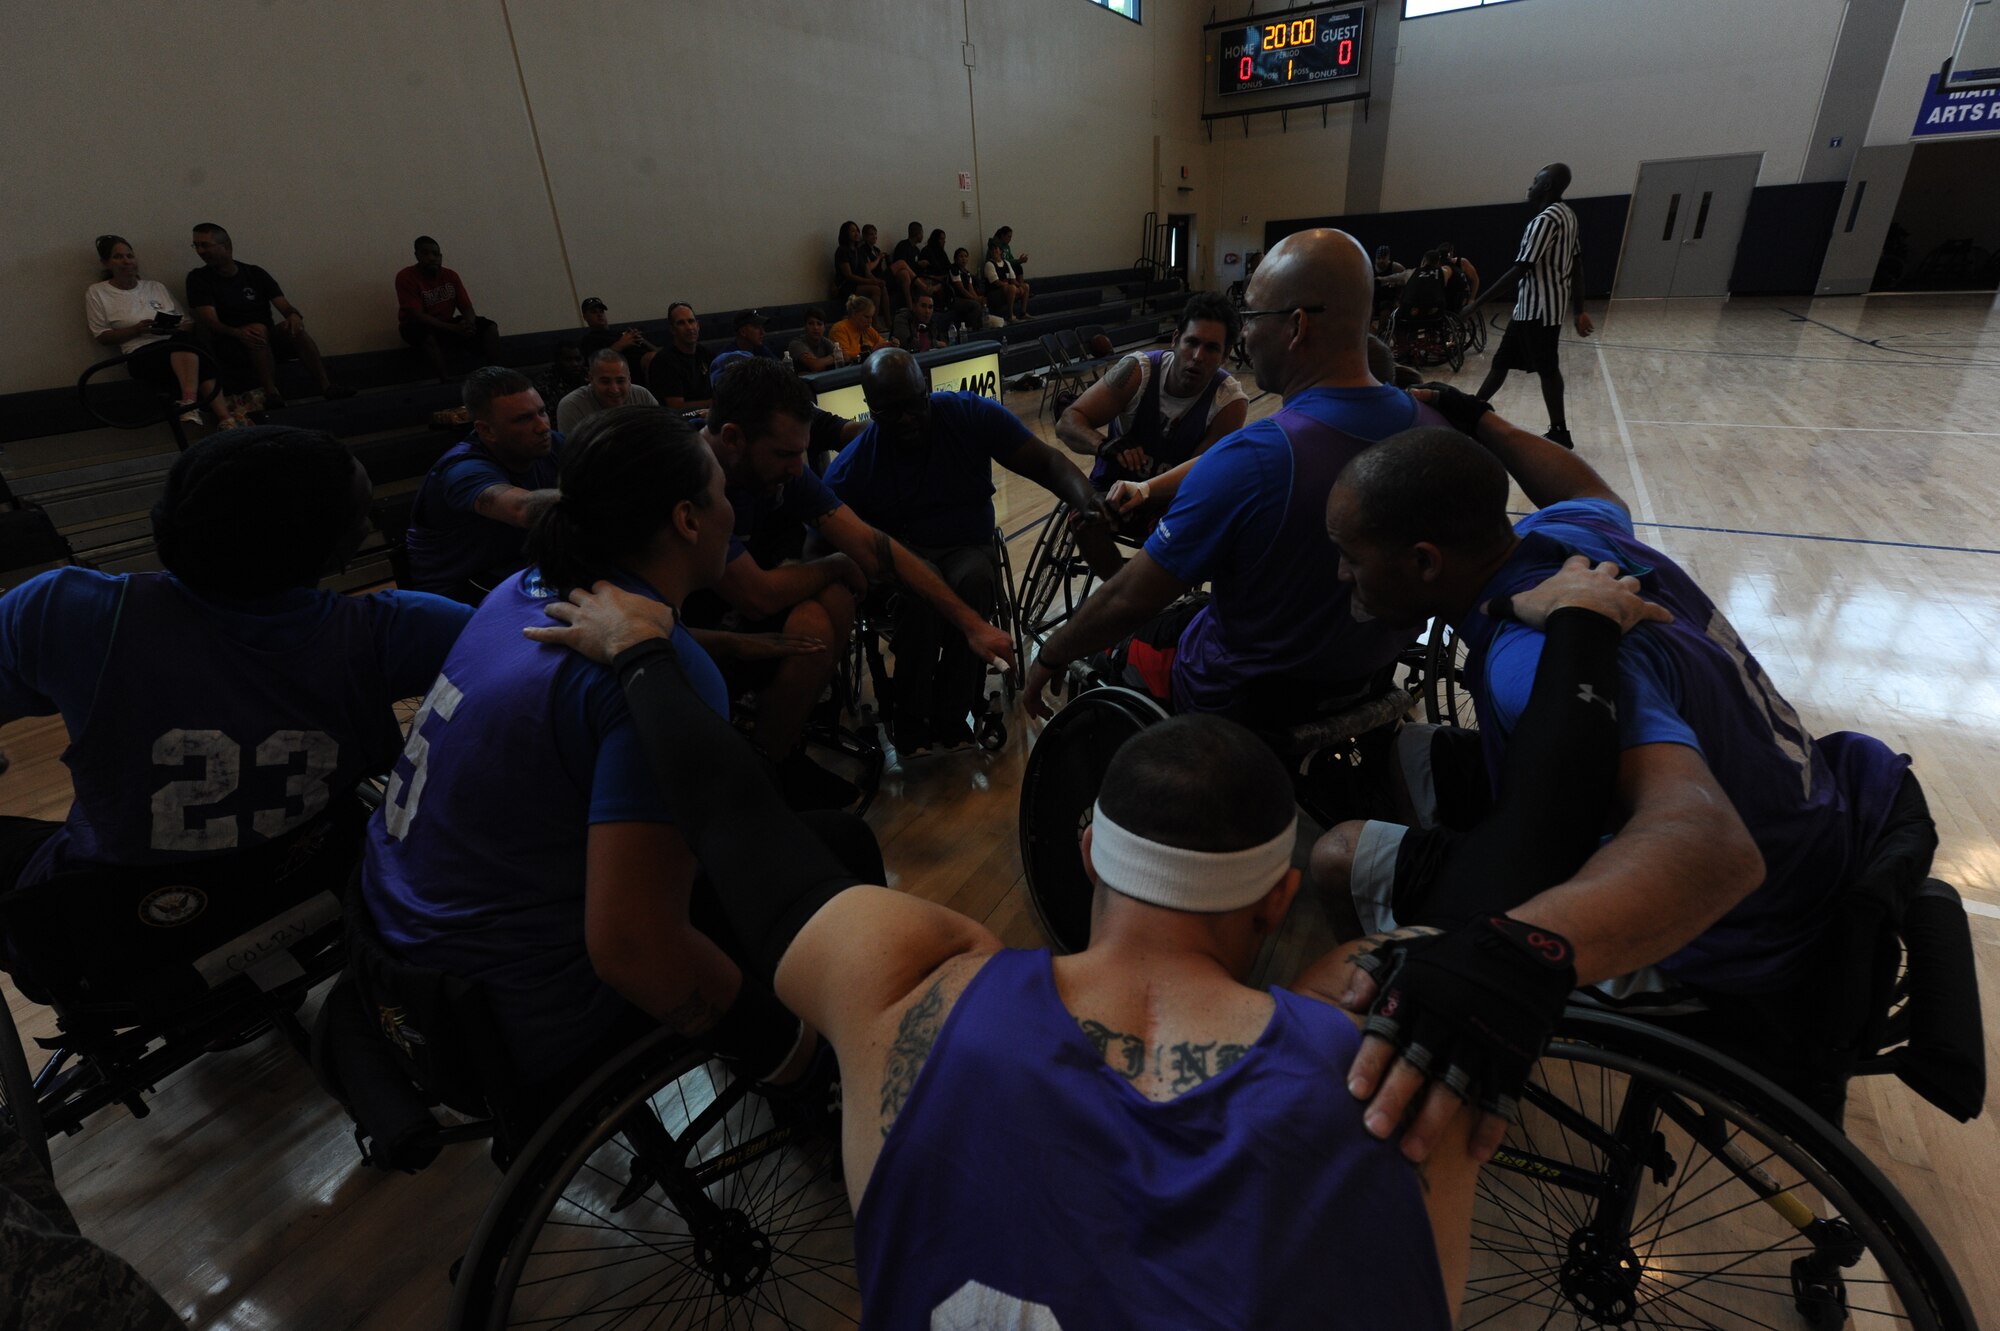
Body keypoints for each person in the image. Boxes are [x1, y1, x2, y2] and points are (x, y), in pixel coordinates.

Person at [518, 555, 1659, 1325]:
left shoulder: (906, 995)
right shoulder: (1395, 1066)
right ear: (1276, 899)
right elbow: (1536, 833)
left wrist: (643, 653)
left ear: (1081, 850)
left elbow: (740, 828)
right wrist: (1576, 624)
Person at [1314, 404, 1922, 1119]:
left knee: (1340, 855)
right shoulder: (1574, 537)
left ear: (1424, 562)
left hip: (1735, 935)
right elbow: (1595, 492)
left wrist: (1504, 963)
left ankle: (1399, 1069)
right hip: (1810, 829)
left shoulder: (1527, 659)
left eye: (1350, 555)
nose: (1339, 573)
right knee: (1406, 755)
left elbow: (1713, 850)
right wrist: (1484, 422)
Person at [362, 405, 879, 1090]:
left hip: (392, 959)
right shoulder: (654, 673)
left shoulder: (521, 589)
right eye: (721, 493)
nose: (732, 509)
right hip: (508, 1008)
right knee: (834, 857)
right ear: (688, 520)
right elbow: (632, 950)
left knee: (824, 838)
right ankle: (829, 1082)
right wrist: (792, 1053)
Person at [0, 426, 469, 911]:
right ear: (337, 548)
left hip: (129, 903)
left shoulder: (67, 611)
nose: (369, 521)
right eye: (362, 513)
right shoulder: (405, 628)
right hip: (312, 868)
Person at [1023, 228, 1450, 726]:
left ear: (1296, 326)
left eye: (1250, 316)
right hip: (1367, 679)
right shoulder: (1438, 434)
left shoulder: (1253, 453)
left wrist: (1052, 651)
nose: (1244, 335)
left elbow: (1128, 601)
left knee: (1109, 648)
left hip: (1241, 699)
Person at [701, 356, 1013, 775]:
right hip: (671, 640)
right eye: (785, 454)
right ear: (733, 438)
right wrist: (834, 565)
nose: (798, 468)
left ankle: (777, 760)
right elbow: (757, 596)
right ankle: (755, 771)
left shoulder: (782, 470)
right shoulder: (692, 479)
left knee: (833, 603)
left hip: (729, 615)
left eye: (801, 453)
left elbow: (871, 545)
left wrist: (972, 623)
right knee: (818, 611)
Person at [825, 350, 1115, 752]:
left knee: (975, 579)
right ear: (870, 410)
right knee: (918, 596)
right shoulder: (853, 466)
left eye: (913, 404)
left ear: (926, 390)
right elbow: (823, 540)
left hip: (966, 545)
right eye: (891, 412)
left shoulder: (969, 414)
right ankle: (910, 715)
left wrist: (1088, 499)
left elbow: (1047, 463)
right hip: (902, 558)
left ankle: (953, 712)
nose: (906, 418)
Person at [1059, 291, 1248, 511]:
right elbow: (1067, 422)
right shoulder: (1137, 371)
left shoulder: (1229, 402)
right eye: (1192, 342)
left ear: (1225, 356)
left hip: (1171, 505)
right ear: (1175, 340)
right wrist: (1102, 444)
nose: (1198, 356)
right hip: (1108, 494)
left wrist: (1145, 493)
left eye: (1211, 348)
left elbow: (1199, 477)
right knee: (1086, 519)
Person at [404, 366, 561, 605]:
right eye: (523, 419)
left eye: (542, 412)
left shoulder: (550, 443)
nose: (543, 426)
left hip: (518, 573)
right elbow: (522, 508)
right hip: (461, 593)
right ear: (486, 430)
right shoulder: (462, 469)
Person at [1470, 163, 1594, 449]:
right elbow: (1577, 265)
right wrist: (1578, 310)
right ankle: (1471, 412)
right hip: (1532, 309)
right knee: (1501, 363)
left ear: (1547, 186)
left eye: (1535, 181)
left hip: (1539, 310)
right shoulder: (1569, 215)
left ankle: (1560, 432)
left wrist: (1477, 304)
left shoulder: (1545, 220)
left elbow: (1520, 268)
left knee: (1548, 369)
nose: (1530, 186)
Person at [185, 223, 349, 409]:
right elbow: (210, 321)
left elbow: (285, 306)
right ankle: (272, 394)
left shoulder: (254, 273)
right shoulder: (198, 278)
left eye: (205, 245)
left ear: (225, 246)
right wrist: (238, 333)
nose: (200, 251)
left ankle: (327, 386)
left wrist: (293, 317)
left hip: (266, 337)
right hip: (229, 342)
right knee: (258, 330)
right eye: (196, 245)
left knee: (294, 330)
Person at [85, 234, 223, 426]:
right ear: (106, 263)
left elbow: (187, 323)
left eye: (129, 256)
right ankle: (208, 410)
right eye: (118, 257)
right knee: (192, 349)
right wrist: (137, 330)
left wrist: (169, 328)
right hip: (139, 353)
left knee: (192, 346)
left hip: (172, 342)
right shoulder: (98, 292)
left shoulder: (155, 287)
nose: (126, 261)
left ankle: (206, 410)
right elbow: (102, 336)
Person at [395, 236, 501, 382]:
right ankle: (446, 381)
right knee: (421, 332)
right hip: (417, 325)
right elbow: (416, 315)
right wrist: (452, 328)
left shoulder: (450, 275)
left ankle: (496, 376)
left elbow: (466, 307)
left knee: (490, 328)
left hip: (447, 324)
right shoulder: (406, 276)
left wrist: (469, 325)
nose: (431, 258)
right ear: (417, 256)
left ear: (441, 256)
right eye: (425, 253)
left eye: (435, 254)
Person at [555, 347, 659, 433]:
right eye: (605, 382)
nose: (614, 389)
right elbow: (573, 450)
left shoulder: (642, 396)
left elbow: (661, 436)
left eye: (620, 381)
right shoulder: (572, 406)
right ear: (591, 379)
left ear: (629, 379)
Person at [646, 302, 712, 411]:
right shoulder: (664, 361)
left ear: (698, 325)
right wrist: (711, 403)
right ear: (672, 329)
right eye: (681, 323)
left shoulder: (706, 354)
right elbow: (676, 406)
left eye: (691, 321)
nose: (689, 327)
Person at [576, 296, 657, 382]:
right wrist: (621, 344)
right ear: (585, 317)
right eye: (594, 312)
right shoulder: (588, 339)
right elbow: (596, 362)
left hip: (649, 358)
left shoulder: (620, 332)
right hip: (628, 368)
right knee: (651, 358)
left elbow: (657, 350)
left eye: (601, 311)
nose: (599, 315)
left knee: (661, 356)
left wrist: (642, 340)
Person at [832, 220, 886, 311]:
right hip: (847, 285)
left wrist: (876, 280)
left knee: (882, 287)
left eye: (857, 230)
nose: (856, 233)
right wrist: (870, 282)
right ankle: (872, 318)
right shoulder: (842, 251)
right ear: (846, 233)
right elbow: (849, 275)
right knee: (875, 290)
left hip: (859, 283)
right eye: (853, 231)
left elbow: (867, 271)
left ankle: (887, 318)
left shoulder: (859, 251)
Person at [888, 221, 937, 311]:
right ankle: (910, 307)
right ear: (916, 233)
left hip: (913, 276)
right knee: (905, 273)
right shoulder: (903, 245)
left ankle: (926, 307)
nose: (922, 236)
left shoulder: (916, 250)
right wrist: (918, 264)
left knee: (925, 278)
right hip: (899, 276)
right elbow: (900, 264)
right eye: (921, 233)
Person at [785, 308, 845, 372]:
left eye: (819, 324)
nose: (815, 327)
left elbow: (845, 356)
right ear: (805, 327)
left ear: (824, 328)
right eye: (811, 323)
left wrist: (823, 361)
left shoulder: (824, 340)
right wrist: (835, 356)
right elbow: (815, 366)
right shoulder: (796, 344)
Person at [981, 240, 1027, 322]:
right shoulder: (989, 264)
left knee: (1025, 286)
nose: (994, 251)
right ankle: (1010, 315)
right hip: (993, 293)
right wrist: (1013, 288)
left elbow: (1013, 279)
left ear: (1001, 251)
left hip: (1006, 290)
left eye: (996, 249)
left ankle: (1023, 313)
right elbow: (996, 282)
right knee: (1012, 288)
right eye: (992, 249)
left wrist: (1020, 286)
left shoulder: (1006, 263)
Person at [830, 295, 885, 361]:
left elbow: (883, 344)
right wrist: (872, 351)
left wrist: (891, 344)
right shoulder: (839, 329)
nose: (870, 321)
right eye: (866, 317)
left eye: (871, 317)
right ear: (854, 314)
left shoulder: (867, 329)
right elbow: (845, 356)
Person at [942, 246, 985, 330]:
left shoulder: (967, 273)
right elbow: (961, 289)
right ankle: (971, 329)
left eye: (965, 256)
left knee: (983, 301)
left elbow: (970, 288)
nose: (964, 259)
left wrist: (978, 298)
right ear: (955, 258)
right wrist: (974, 299)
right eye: (961, 256)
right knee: (975, 305)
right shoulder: (954, 270)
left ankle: (981, 327)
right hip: (955, 299)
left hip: (965, 298)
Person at [534, 341, 587, 409]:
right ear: (557, 361)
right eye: (568, 360)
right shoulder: (544, 383)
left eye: (578, 359)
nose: (575, 364)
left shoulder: (591, 375)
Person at [1437, 241, 1478, 312]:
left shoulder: (1462, 262)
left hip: (1460, 295)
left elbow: (1475, 280)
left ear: (1451, 254)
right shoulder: (1438, 264)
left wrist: (1472, 299)